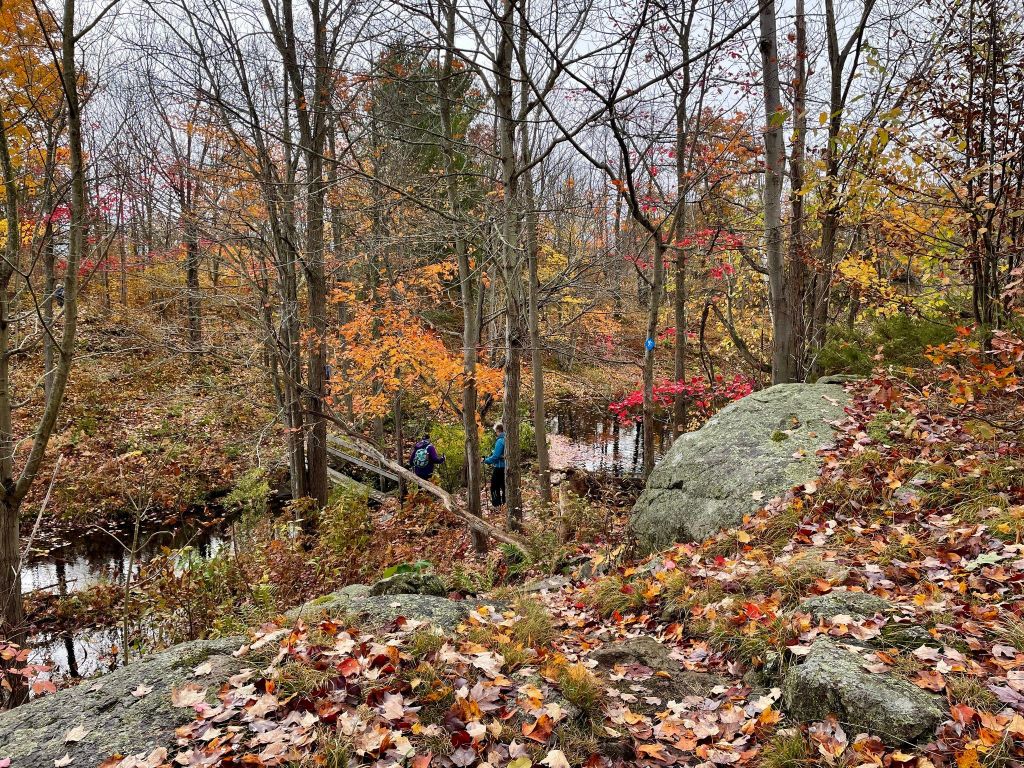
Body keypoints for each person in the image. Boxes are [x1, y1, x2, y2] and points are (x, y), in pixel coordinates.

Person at [483, 422, 506, 508]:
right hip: (506, 467)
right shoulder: (507, 439)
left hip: (499, 467)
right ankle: (505, 504)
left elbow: (495, 457)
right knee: (504, 487)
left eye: (495, 432)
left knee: (494, 487)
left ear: (498, 430)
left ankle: (497, 505)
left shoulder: (500, 441)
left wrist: (486, 460)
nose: (495, 433)